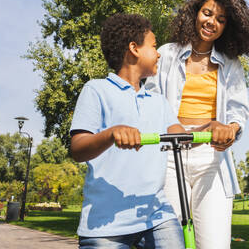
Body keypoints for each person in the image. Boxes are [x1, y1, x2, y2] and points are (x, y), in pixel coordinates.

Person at [145, 0, 249, 248]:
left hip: (211, 158)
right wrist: (175, 125)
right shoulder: (166, 54)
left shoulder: (231, 63)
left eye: (221, 19)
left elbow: (238, 110)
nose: (212, 22)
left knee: (214, 243)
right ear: (194, 13)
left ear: (227, 27)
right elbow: (150, 102)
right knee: (168, 243)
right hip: (168, 156)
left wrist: (231, 128)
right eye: (207, 13)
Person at [70, 13, 185, 249]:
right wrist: (112, 133)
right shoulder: (96, 90)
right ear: (134, 48)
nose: (159, 53)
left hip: (156, 214)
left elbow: (180, 137)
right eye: (154, 46)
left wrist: (210, 128)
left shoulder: (159, 101)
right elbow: (78, 148)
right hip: (105, 224)